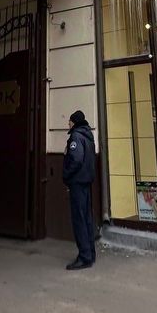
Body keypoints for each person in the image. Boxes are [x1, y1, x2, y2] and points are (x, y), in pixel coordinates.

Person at [62, 109, 96, 270]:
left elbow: (75, 159)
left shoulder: (76, 136)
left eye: (69, 121)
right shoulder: (88, 136)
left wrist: (66, 175)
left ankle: (84, 257)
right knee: (87, 219)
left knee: (79, 220)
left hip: (77, 183)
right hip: (86, 182)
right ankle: (90, 253)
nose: (67, 123)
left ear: (74, 122)